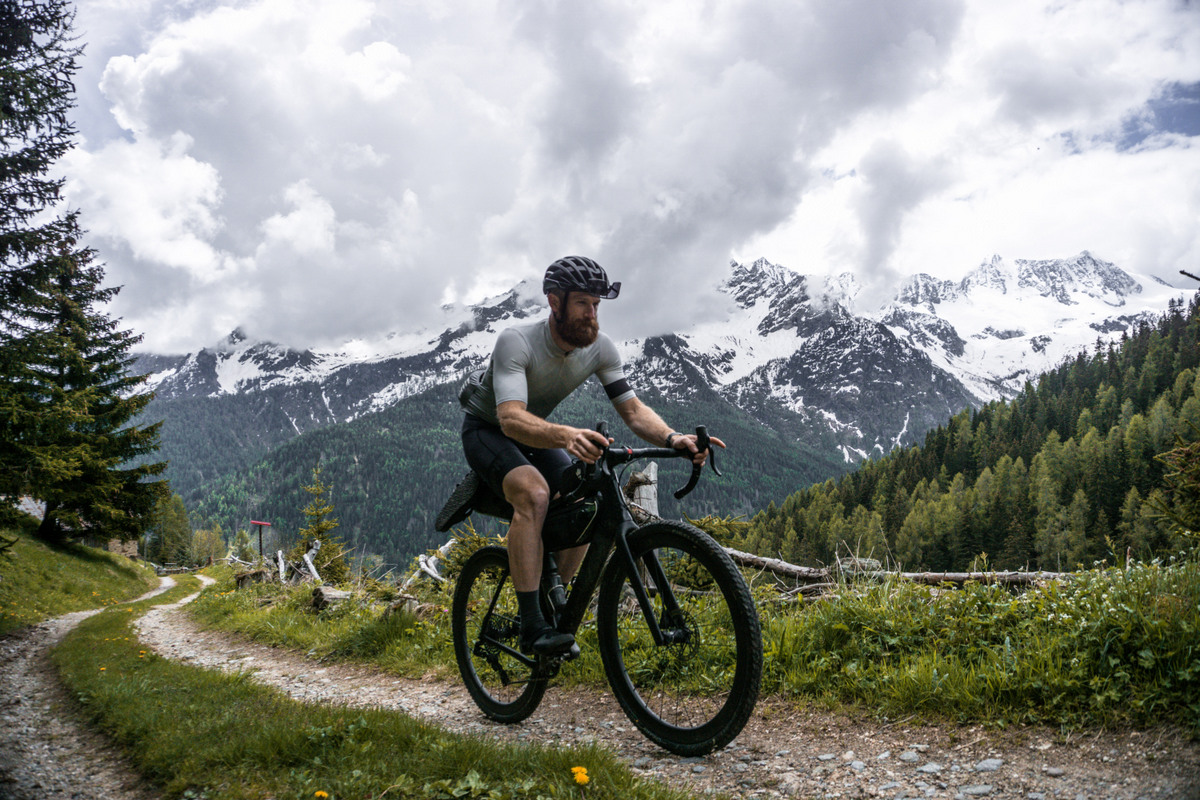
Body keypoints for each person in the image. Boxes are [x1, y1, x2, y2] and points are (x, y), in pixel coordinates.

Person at [457, 255, 723, 655]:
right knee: (534, 495)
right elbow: (510, 419)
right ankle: (532, 626)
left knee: (588, 501)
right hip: (488, 431)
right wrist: (566, 436)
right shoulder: (517, 340)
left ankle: (554, 607)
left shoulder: (600, 349)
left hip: (536, 434)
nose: (592, 314)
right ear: (554, 302)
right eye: (583, 303)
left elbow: (633, 411)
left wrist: (673, 438)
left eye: (597, 305)